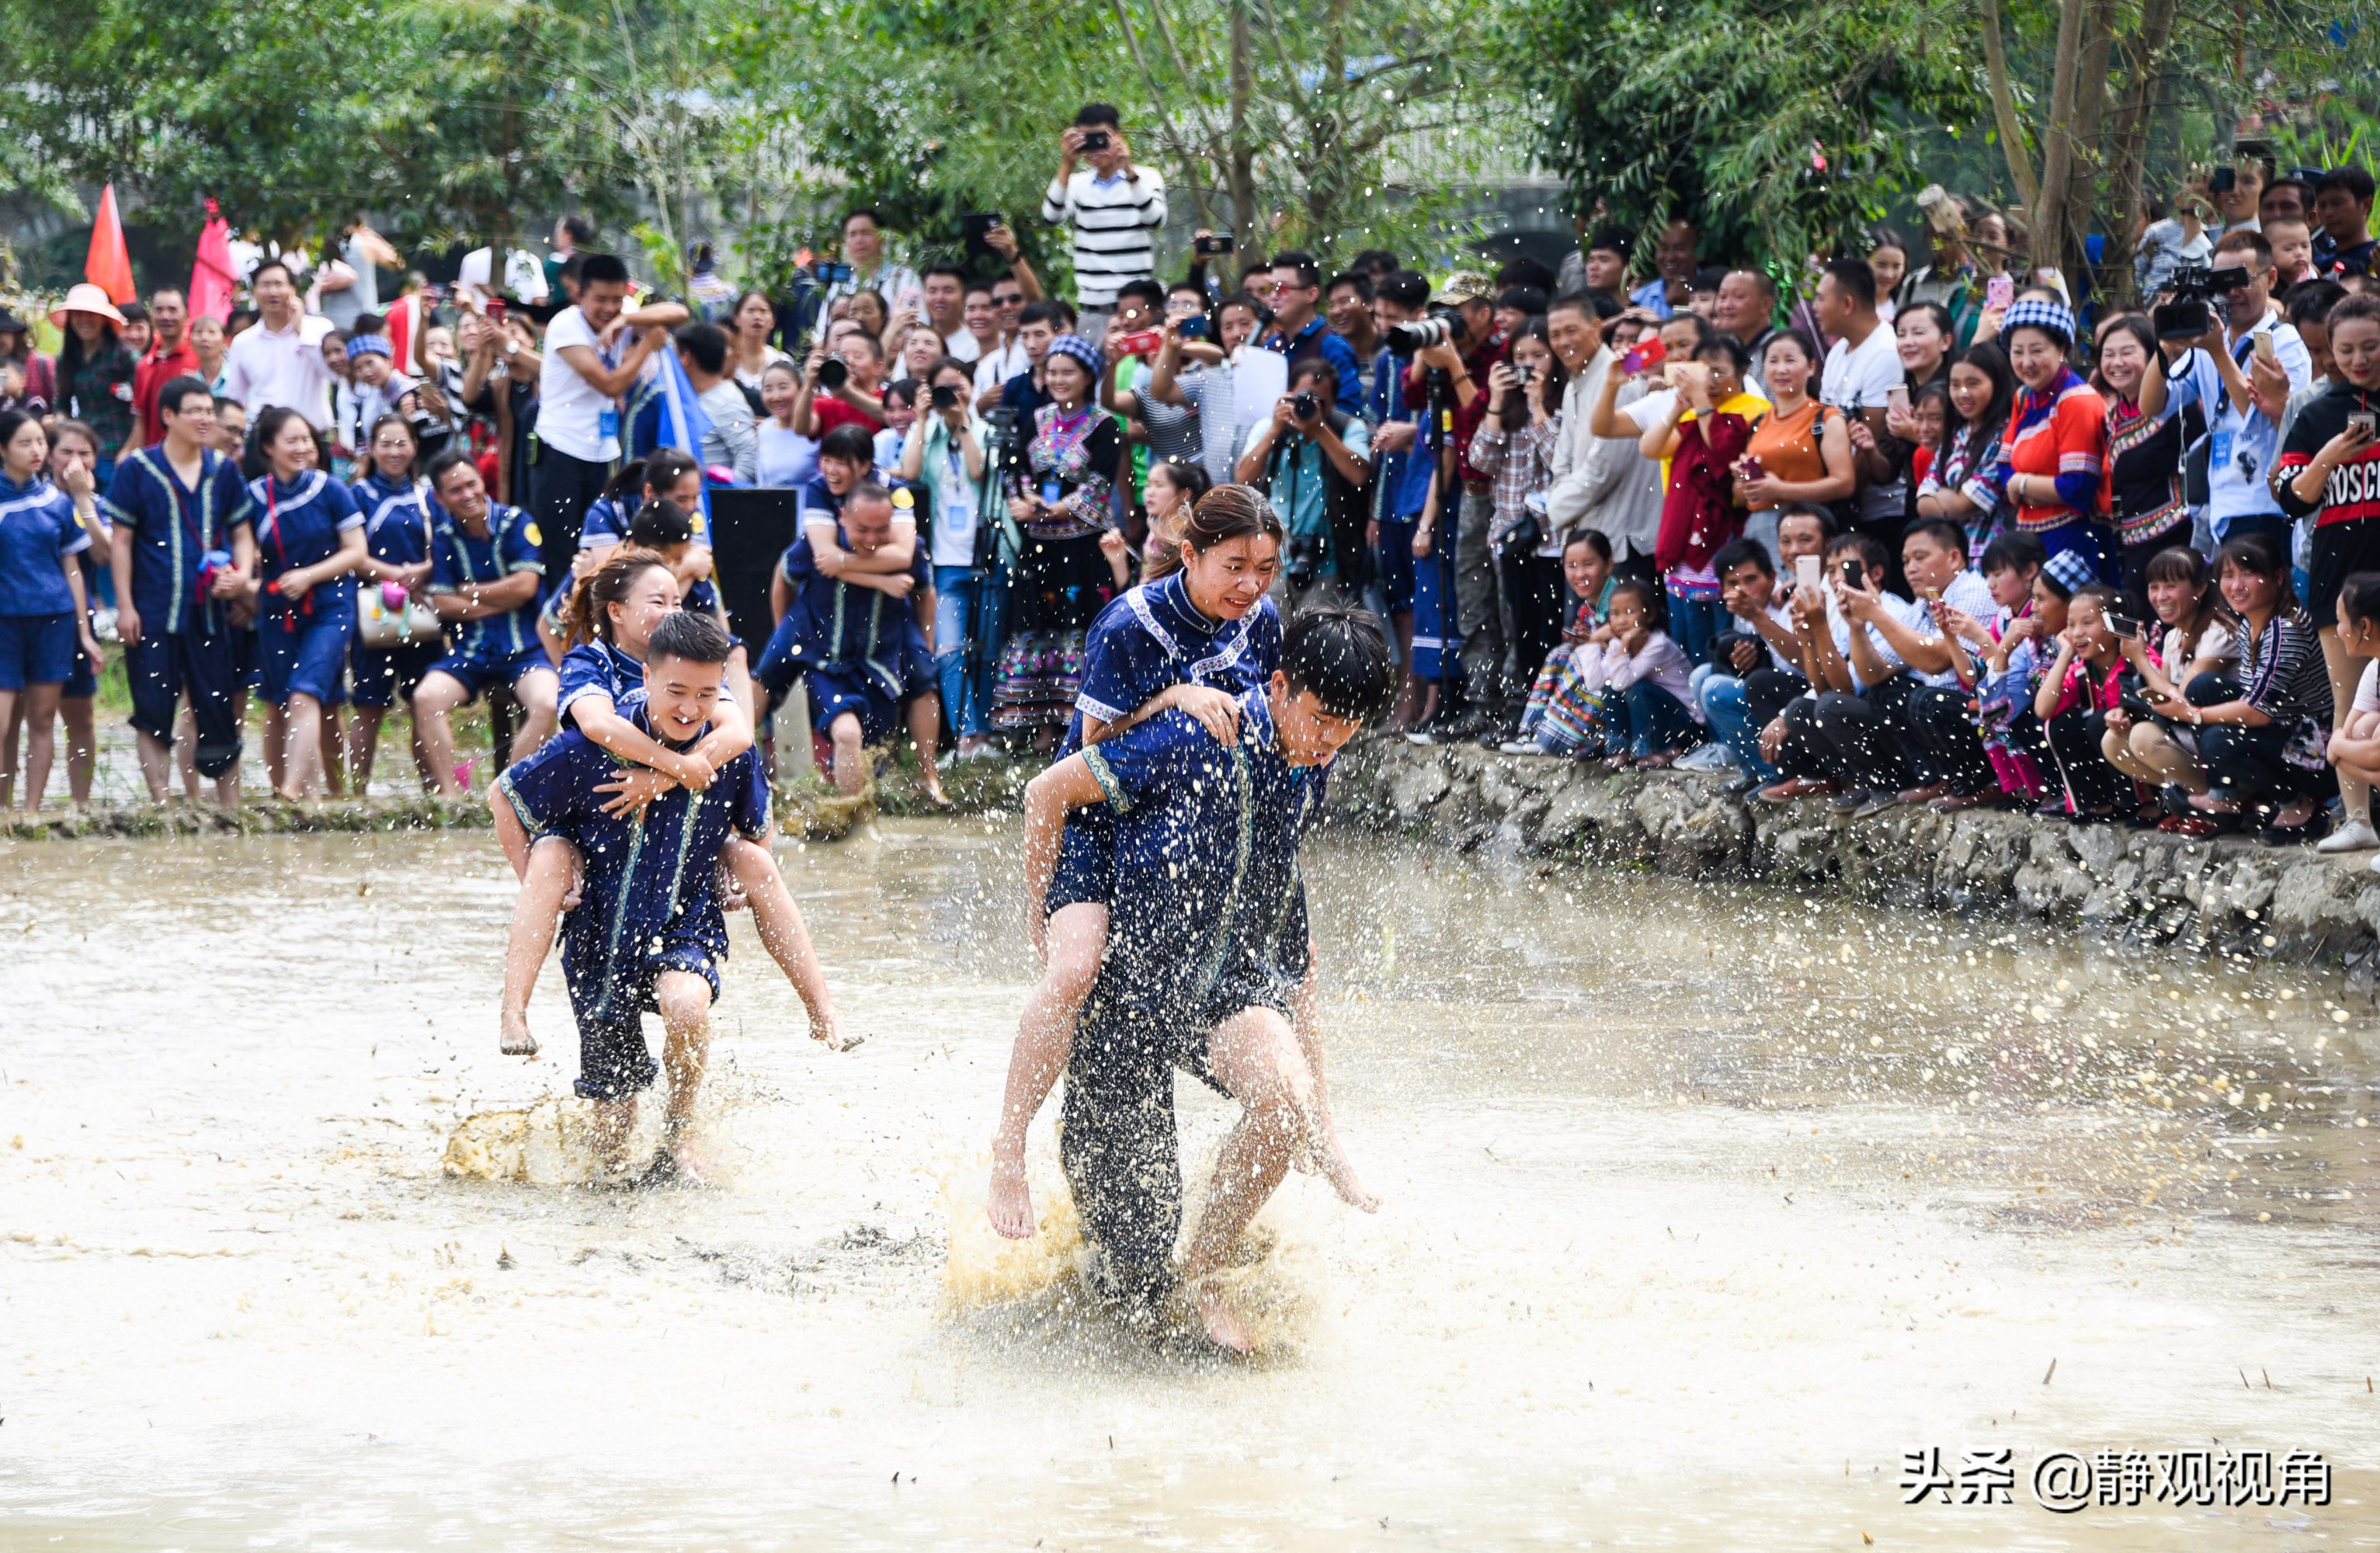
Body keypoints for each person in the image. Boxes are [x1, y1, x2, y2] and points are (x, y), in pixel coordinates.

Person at [1017, 606, 1391, 1350]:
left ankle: (1210, 1273)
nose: (1326, 744)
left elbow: (1297, 959)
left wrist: (1327, 1132)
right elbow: (1046, 792)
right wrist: (1043, 916)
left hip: (1221, 988)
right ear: (1279, 686)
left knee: (1283, 1103)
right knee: (1128, 1279)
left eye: (1346, 731)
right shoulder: (1194, 733)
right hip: (1125, 996)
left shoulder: (1309, 761)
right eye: (1318, 721)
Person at [990, 485, 1287, 1240]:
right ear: (1188, 555)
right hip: (1094, 818)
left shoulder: (1263, 621)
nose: (1249, 585)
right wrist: (1175, 695)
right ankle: (1007, 1148)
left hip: (1180, 821)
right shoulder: (1129, 622)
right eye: (1233, 565)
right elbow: (1087, 749)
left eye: (1265, 567)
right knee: (1072, 970)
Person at [493, 609, 846, 1182]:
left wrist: (733, 864)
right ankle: (517, 1017)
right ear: (646, 679)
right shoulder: (587, 749)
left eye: (706, 695)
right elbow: (505, 793)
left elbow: (760, 829)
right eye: (675, 691)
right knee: (610, 1138)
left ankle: (681, 1134)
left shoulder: (732, 752)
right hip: (599, 939)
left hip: (685, 922)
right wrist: (542, 880)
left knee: (686, 1003)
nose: (688, 709)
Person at [103, 377, 255, 802]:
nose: (206, 419)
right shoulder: (136, 468)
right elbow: (121, 542)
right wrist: (125, 607)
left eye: (210, 411)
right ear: (168, 416)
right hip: (153, 611)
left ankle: (230, 807)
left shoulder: (224, 470)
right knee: (153, 712)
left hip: (210, 612)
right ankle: (162, 805)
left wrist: (241, 575)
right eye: (196, 411)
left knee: (218, 709)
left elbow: (243, 533)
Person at [756, 481, 946, 801]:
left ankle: (923, 781)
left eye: (882, 529)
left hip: (881, 663)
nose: (871, 540)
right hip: (828, 663)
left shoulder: (908, 551)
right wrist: (784, 628)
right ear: (842, 516)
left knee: (876, 755)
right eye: (862, 530)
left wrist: (927, 644)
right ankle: (854, 823)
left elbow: (926, 593)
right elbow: (783, 577)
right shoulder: (818, 547)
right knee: (846, 735)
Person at [2274, 291, 2380, 852]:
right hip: (2336, 578)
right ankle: (2357, 821)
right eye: (2346, 350)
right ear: (2329, 352)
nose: (2358, 359)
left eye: (2370, 346)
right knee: (2348, 699)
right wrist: (2327, 457)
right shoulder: (2314, 411)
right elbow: (2290, 500)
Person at [992, 334, 1121, 743]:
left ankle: (1078, 724)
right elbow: (1016, 469)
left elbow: (1098, 487)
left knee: (1079, 626)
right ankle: (1042, 722)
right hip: (1041, 547)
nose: (1059, 379)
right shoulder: (1037, 418)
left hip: (1084, 548)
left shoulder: (1104, 425)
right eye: (1053, 372)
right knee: (1038, 624)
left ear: (1088, 376)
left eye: (1069, 372)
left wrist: (1048, 509)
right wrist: (1023, 500)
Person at [533, 253, 690, 575]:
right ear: (580, 294)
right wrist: (646, 345)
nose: (609, 308)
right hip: (560, 448)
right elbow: (609, 385)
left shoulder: (623, 314)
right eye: (600, 300)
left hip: (603, 450)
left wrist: (626, 320)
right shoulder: (566, 326)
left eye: (617, 300)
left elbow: (680, 313)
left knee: (601, 543)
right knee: (562, 551)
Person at [413, 448, 558, 791]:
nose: (468, 495)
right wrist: (500, 599)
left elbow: (525, 587)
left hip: (527, 650)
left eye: (471, 484)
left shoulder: (517, 523)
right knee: (425, 698)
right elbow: (443, 604)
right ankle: (452, 798)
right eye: (456, 490)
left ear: (482, 482)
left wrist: (469, 590)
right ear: (441, 497)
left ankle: (507, 792)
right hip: (471, 652)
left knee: (548, 703)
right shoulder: (445, 537)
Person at [2173, 533, 2336, 839]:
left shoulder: (2286, 629)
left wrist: (2192, 714)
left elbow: (2258, 713)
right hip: (2285, 729)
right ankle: (2224, 796)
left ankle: (2297, 804)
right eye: (2228, 575)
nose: (2236, 586)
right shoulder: (2251, 621)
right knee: (2204, 686)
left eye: (2249, 574)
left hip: (2318, 750)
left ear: (2277, 577)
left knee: (2218, 741)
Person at [244, 405, 367, 800]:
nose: (302, 448)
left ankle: (293, 792)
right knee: (288, 703)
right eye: (291, 440)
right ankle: (325, 794)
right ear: (268, 446)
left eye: (307, 440)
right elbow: (245, 552)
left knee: (304, 693)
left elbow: (356, 552)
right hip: (277, 609)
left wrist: (309, 575)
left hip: (330, 606)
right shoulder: (253, 495)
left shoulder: (331, 489)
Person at [1639, 334, 1767, 666]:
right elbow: (1649, 448)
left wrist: (1701, 404)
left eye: (1719, 372)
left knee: (1717, 643)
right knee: (1685, 641)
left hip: (1722, 539)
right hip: (1683, 538)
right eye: (1703, 372)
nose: (1709, 381)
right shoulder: (1696, 412)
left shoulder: (1754, 410)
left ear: (1743, 371)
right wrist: (1677, 409)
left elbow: (1722, 453)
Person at [0, 412, 103, 811]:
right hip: (6, 623)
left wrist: (84, 633)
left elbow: (73, 570)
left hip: (54, 621)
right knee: (4, 724)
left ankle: (30, 811)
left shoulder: (58, 504)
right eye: (24, 443)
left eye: (39, 443)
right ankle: (3, 808)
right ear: (4, 449)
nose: (36, 451)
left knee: (42, 720)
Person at [896, 356, 999, 756]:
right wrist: (922, 420)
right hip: (944, 561)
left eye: (959, 387)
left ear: (972, 389)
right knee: (950, 649)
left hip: (988, 557)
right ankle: (968, 736)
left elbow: (978, 472)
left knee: (988, 650)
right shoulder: (929, 434)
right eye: (943, 389)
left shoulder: (988, 431)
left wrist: (964, 423)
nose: (951, 396)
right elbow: (909, 471)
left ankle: (986, 733)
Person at [2101, 545, 2238, 829]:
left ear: (2199, 588)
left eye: (2171, 586)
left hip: (2219, 734)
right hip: (2188, 730)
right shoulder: (2174, 636)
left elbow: (2183, 699)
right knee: (2114, 740)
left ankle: (2222, 801)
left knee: (2142, 738)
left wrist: (2140, 659)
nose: (2160, 597)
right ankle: (2192, 800)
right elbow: (2161, 698)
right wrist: (2127, 713)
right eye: (2154, 587)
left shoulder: (2219, 631)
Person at [1469, 317, 1565, 698]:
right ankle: (1522, 708)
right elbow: (1479, 462)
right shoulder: (1503, 408)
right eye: (1519, 356)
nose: (1529, 364)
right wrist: (1495, 400)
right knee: (1519, 627)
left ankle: (1549, 711)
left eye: (1539, 355)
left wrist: (1538, 407)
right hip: (1510, 535)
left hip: (1554, 537)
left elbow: (1561, 459)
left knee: (1551, 626)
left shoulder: (1565, 401)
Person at [346, 414, 441, 792]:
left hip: (420, 609)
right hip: (373, 609)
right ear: (372, 448)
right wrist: (395, 575)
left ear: (415, 447)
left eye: (402, 443)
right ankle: (355, 792)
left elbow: (445, 548)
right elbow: (352, 552)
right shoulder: (358, 495)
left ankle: (435, 791)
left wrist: (424, 571)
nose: (394, 451)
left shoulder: (429, 496)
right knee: (369, 705)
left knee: (423, 703)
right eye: (385, 443)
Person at [1995, 295, 2118, 582]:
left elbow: (2077, 486)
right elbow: (2003, 466)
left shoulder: (2077, 400)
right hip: (2029, 540)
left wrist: (2021, 483)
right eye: (2017, 352)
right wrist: (2018, 483)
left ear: (2062, 348)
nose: (2026, 362)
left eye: (2037, 351)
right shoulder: (2023, 397)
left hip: (2074, 538)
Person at [1238, 359, 1372, 611]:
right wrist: (1276, 429)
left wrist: (1320, 429)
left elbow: (1359, 475)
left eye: (1319, 400)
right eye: (1303, 397)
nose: (1309, 405)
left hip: (1327, 562)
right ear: (1289, 394)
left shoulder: (1347, 428)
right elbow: (1244, 477)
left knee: (1315, 645)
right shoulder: (1270, 427)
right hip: (1272, 560)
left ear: (1332, 403)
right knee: (1271, 642)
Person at [30, 420, 109, 806]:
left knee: (81, 717)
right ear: (47, 454)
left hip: (80, 618)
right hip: (29, 617)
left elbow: (104, 554)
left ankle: (81, 802)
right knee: (31, 716)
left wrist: (84, 500)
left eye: (84, 453)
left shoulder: (98, 504)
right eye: (66, 452)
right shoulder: (32, 497)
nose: (75, 461)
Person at [1041, 104, 1167, 338]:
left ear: (1118, 137)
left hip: (1136, 308)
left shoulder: (1146, 177)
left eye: (1100, 138)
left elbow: (1155, 219)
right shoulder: (1077, 183)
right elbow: (1051, 216)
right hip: (1093, 309)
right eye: (1084, 140)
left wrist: (1128, 170)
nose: (1094, 148)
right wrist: (1067, 164)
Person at [1812, 258, 1909, 565]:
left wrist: (1831, 494)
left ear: (1847, 303)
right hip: (1841, 502)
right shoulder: (1840, 349)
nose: (1814, 306)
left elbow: (1875, 440)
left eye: (1820, 298)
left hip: (1878, 513)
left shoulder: (1885, 353)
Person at [1735, 329, 1854, 564]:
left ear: (1811, 367)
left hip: (1806, 532)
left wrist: (1781, 490)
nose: (1781, 369)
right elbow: (1740, 496)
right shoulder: (1758, 423)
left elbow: (1844, 483)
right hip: (1760, 531)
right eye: (1773, 361)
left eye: (1790, 360)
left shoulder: (1826, 419)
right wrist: (1744, 481)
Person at [1590, 576, 1705, 766]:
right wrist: (1595, 642)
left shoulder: (1658, 644)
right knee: (1611, 689)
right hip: (1660, 716)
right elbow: (1598, 682)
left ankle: (1660, 749)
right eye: (1615, 614)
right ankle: (1621, 748)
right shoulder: (1617, 645)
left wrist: (1625, 644)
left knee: (1637, 690)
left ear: (1650, 615)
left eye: (1629, 612)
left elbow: (1622, 682)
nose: (1621, 621)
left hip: (1686, 724)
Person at [1916, 340, 2016, 555]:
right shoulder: (1956, 435)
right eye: (1955, 384)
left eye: (1973, 383)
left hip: (1994, 555)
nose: (1962, 393)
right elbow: (1923, 502)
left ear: (1996, 383)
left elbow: (1964, 505)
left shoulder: (2005, 435)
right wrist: (1953, 502)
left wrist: (1944, 497)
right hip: (1955, 557)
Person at [219, 260, 338, 429]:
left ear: (293, 290)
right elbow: (235, 396)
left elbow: (333, 375)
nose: (272, 292)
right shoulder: (243, 342)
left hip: (313, 436)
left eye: (279, 284)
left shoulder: (320, 328)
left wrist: (301, 333)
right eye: (265, 285)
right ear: (254, 292)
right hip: (265, 438)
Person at [1259, 252, 1363, 416]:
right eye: (1269, 289)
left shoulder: (1332, 347)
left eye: (1282, 289)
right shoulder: (1270, 347)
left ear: (1311, 294)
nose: (1273, 296)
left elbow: (1349, 415)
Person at [53, 286, 138, 481]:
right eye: (78, 314)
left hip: (118, 452)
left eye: (91, 314)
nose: (84, 320)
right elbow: (62, 403)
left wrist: (129, 450)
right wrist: (63, 433)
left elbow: (141, 409)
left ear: (104, 319)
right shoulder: (66, 359)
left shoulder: (124, 356)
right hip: (82, 453)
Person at [130, 289, 198, 450]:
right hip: (153, 459)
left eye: (172, 310)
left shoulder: (198, 358)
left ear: (187, 314)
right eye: (159, 310)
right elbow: (141, 420)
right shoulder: (144, 364)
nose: (165, 316)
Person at [821, 209, 922, 315]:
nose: (859, 240)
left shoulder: (903, 278)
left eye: (866, 233)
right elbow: (822, 329)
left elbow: (915, 323)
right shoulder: (840, 287)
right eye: (852, 234)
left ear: (882, 238)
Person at [755, 360, 819, 492]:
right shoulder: (764, 430)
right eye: (768, 389)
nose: (776, 397)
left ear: (801, 389)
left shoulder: (815, 425)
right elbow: (762, 482)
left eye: (783, 387)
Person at [2312, 166, 2377, 277]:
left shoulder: (2375, 260)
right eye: (2322, 206)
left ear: (2366, 205)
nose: (2328, 212)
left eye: (2337, 203)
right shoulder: (2317, 266)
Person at [728, 288, 792, 395]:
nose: (757, 317)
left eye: (764, 311)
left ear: (772, 321)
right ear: (737, 319)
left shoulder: (781, 362)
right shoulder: (725, 362)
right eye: (750, 310)